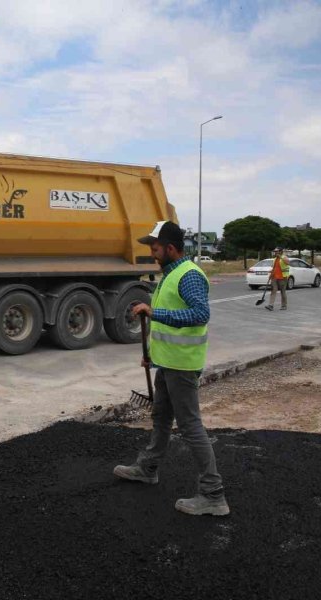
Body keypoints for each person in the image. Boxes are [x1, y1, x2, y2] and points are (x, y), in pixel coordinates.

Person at [113, 221, 229, 516]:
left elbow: (200, 315)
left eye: (155, 248)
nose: (153, 253)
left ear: (171, 248)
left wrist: (154, 311)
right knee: (161, 418)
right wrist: (152, 355)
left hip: (182, 366)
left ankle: (213, 494)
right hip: (168, 363)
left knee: (190, 427)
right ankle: (147, 468)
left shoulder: (189, 275)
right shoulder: (171, 274)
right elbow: (167, 326)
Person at [265, 247, 290, 311]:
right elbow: (274, 268)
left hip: (283, 277)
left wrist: (280, 257)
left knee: (282, 291)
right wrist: (271, 275)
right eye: (275, 251)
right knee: (273, 290)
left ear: (281, 251)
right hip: (275, 277)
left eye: (277, 251)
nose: (275, 252)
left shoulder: (284, 257)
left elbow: (288, 263)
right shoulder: (275, 259)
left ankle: (284, 305)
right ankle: (271, 305)